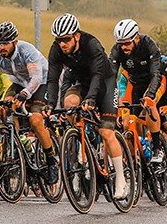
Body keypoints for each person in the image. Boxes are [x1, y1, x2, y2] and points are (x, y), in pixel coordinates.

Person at [46, 13, 127, 199]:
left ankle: (122, 180)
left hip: (105, 84)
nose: (62, 44)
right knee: (69, 103)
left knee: (106, 132)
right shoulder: (57, 49)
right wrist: (50, 104)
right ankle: (81, 150)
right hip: (83, 84)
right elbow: (52, 78)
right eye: (59, 40)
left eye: (66, 40)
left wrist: (91, 99)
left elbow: (98, 75)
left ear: (77, 35)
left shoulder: (92, 44)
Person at [0, 21, 56, 183]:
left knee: (35, 119)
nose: (1, 47)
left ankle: (51, 161)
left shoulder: (27, 51)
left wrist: (25, 94)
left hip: (41, 82)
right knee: (4, 107)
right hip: (18, 83)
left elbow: (37, 78)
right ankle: (16, 145)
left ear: (14, 42)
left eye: (5, 43)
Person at [109, 18, 166, 163]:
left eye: (127, 43)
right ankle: (140, 148)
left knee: (149, 105)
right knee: (131, 121)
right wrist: (111, 101)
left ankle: (157, 148)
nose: (124, 47)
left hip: (154, 82)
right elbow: (111, 77)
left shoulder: (148, 44)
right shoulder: (117, 50)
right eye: (121, 44)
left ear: (136, 37)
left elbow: (156, 74)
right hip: (135, 83)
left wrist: (150, 94)